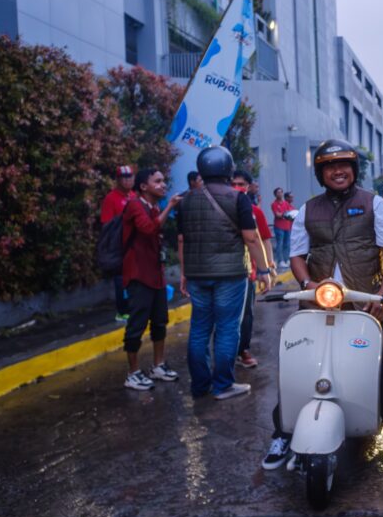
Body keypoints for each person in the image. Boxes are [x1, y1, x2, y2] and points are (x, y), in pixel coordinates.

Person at [261, 140, 383, 469]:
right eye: (329, 167)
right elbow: (298, 255)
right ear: (321, 173)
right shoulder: (307, 209)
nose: (337, 171)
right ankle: (283, 432)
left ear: (354, 170)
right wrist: (306, 284)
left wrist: (382, 297)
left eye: (344, 165)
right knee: (296, 365)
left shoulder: (374, 204)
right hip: (319, 303)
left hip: (364, 301)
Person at [176, 146, 270, 401]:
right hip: (230, 275)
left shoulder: (185, 201)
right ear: (228, 169)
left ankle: (199, 387)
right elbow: (251, 239)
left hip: (197, 274)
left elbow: (182, 240)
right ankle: (223, 385)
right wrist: (263, 270)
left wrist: (184, 273)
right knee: (228, 328)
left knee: (199, 329)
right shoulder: (238, 198)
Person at [120, 168, 184, 390]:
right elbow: (148, 229)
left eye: (164, 181)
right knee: (136, 325)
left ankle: (158, 365)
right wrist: (169, 207)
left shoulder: (152, 207)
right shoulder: (135, 205)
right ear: (143, 186)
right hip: (138, 275)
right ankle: (133, 373)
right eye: (157, 181)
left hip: (155, 275)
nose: (163, 184)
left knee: (159, 321)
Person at [232, 170, 275, 369]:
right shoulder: (222, 207)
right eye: (233, 183)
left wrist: (268, 267)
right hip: (226, 271)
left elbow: (264, 240)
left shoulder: (254, 211)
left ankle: (243, 350)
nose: (237, 187)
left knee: (247, 314)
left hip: (248, 270)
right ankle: (226, 354)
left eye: (241, 183)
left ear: (248, 186)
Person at [100, 164, 135, 321]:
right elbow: (106, 225)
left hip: (135, 245)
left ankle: (133, 307)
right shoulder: (111, 198)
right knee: (121, 280)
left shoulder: (134, 196)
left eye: (130, 177)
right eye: (124, 178)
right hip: (119, 247)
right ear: (118, 180)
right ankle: (122, 311)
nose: (128, 181)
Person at [271, 187, 294, 267]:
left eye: (281, 192)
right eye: (278, 192)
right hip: (279, 227)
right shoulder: (274, 204)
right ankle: (280, 261)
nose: (280, 194)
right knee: (279, 244)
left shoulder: (286, 203)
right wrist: (285, 214)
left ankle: (286, 260)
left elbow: (291, 212)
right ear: (275, 194)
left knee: (287, 244)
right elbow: (277, 215)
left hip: (287, 226)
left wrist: (283, 214)